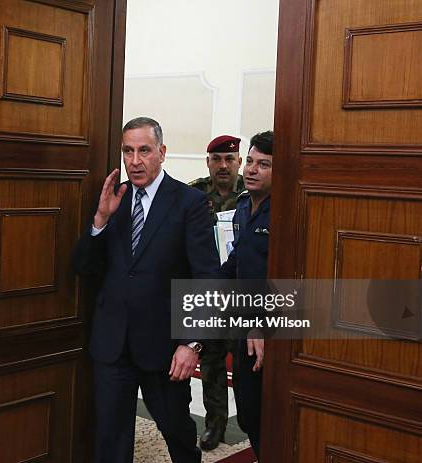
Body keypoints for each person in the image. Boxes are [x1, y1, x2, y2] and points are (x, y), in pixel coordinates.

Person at [72, 117, 221, 463]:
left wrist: (193, 343)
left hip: (165, 349)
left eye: (144, 151)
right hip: (112, 346)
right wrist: (100, 221)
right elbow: (83, 268)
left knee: (178, 434)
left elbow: (207, 278)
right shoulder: (115, 199)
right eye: (128, 151)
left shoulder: (189, 202)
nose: (135, 161)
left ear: (162, 153)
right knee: (110, 440)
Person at [218, 130, 273, 460]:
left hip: (269, 331)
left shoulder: (284, 212)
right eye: (250, 161)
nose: (251, 169)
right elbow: (236, 261)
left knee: (269, 413)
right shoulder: (243, 207)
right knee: (249, 411)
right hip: (242, 326)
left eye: (263, 164)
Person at [188, 135, 244, 451]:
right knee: (210, 361)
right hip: (208, 290)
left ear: (238, 161)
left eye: (229, 159)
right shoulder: (194, 193)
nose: (223, 165)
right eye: (216, 159)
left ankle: (257, 421)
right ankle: (215, 426)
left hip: (241, 290)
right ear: (208, 162)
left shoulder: (253, 194)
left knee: (248, 358)